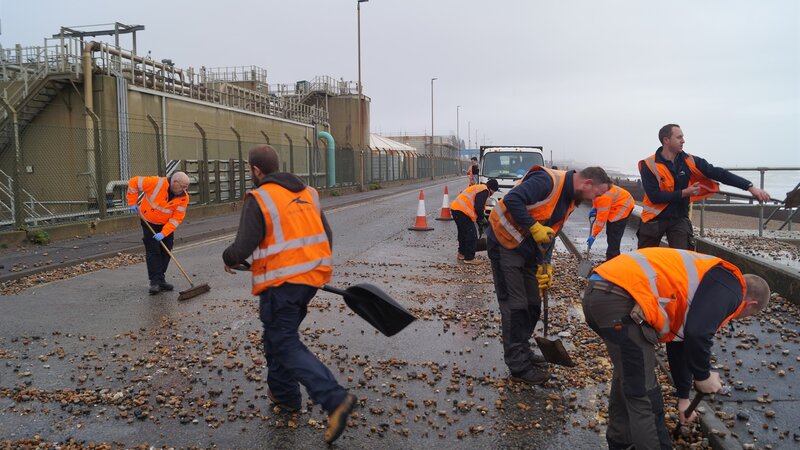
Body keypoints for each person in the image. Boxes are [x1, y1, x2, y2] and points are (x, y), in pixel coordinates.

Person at [221, 145, 355, 444]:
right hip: (310, 280)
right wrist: (311, 269)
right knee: (276, 336)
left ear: (256, 170)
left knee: (283, 340)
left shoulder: (260, 197)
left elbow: (243, 246)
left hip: (282, 284)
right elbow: (326, 235)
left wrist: (228, 257)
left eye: (249, 170)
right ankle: (285, 396)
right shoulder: (308, 192)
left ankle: (334, 399)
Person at [582, 247, 770, 450]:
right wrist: (703, 376)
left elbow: (680, 344)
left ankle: (621, 443)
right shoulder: (733, 287)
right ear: (751, 304)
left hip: (599, 293)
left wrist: (683, 398)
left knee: (630, 375)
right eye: (747, 316)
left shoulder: (708, 281)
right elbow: (698, 333)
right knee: (644, 395)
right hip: (619, 299)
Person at [486, 166, 612, 385]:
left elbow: (551, 232)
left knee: (533, 304)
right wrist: (533, 227)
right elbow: (513, 200)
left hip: (527, 251)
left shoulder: (571, 199)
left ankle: (523, 350)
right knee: (515, 306)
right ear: (587, 184)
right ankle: (519, 366)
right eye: (597, 195)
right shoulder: (547, 181)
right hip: (504, 243)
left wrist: (546, 265)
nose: (596, 200)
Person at [638, 124, 771, 249]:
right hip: (654, 218)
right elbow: (655, 197)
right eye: (679, 137)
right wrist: (685, 192)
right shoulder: (649, 164)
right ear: (666, 140)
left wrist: (750, 187)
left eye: (683, 137)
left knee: (684, 260)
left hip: (679, 218)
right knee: (644, 260)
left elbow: (719, 173)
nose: (683, 140)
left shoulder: (689, 161)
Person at [127, 171, 190, 294]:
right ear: (174, 182)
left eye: (186, 187)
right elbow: (133, 182)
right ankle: (155, 282)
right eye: (182, 186)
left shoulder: (184, 197)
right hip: (148, 221)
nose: (184, 189)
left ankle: (160, 279)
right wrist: (132, 202)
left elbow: (177, 218)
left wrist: (164, 233)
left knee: (166, 251)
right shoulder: (156, 183)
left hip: (165, 225)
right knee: (153, 251)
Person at [450, 179, 498, 264]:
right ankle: (469, 258)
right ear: (492, 189)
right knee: (471, 234)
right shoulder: (485, 190)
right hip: (462, 211)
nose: (491, 195)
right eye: (493, 192)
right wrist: (482, 219)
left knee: (463, 233)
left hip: (456, 208)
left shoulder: (479, 187)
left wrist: (479, 221)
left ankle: (461, 253)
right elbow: (478, 207)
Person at [587, 184, 634, 260]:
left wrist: (593, 235)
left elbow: (601, 220)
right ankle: (610, 256)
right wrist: (595, 207)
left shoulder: (603, 196)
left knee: (614, 233)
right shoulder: (596, 190)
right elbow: (596, 199)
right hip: (616, 202)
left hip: (623, 205)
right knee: (610, 231)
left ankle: (613, 258)